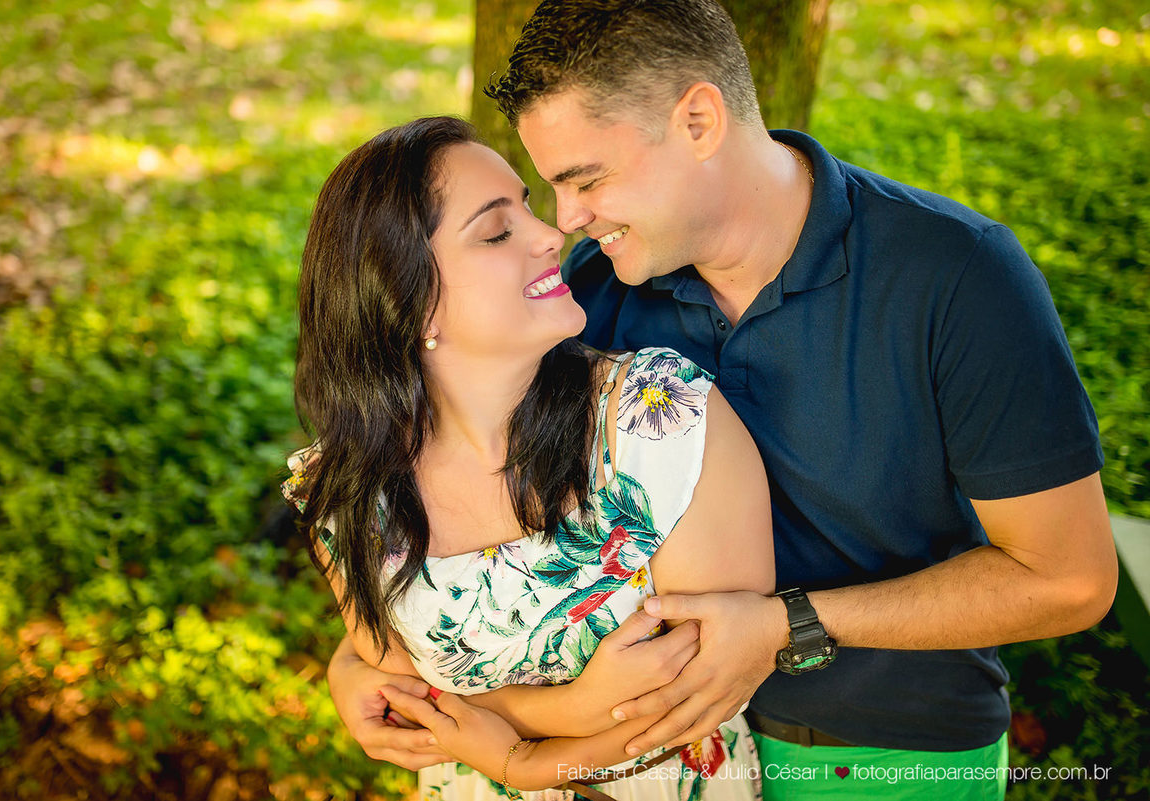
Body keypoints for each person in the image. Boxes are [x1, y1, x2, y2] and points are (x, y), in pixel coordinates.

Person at [326, 2, 1118, 799]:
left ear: (699, 120)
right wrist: (357, 664)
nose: (566, 222)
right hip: (638, 748)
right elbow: (469, 516)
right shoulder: (593, 298)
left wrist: (789, 621)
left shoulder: (954, 276)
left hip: (877, 745)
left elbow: (1069, 579)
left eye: (587, 179)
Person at [283, 115, 774, 801]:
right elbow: (401, 695)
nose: (552, 235)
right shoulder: (347, 491)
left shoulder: (660, 417)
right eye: (496, 230)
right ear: (411, 301)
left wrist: (524, 762)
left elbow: (702, 689)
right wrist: (561, 711)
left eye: (528, 208)